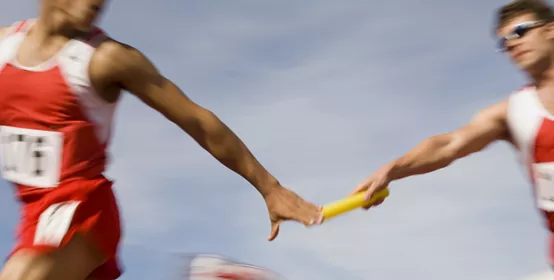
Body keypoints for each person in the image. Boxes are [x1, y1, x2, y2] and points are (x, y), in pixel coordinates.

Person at [0, 1, 323, 279]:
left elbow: (198, 120)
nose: (96, 4)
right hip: (32, 216)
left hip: (80, 209)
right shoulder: (5, 47)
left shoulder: (105, 59)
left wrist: (270, 188)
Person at [350, 0, 554, 269]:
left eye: (520, 32)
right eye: (503, 42)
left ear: (550, 30)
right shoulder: (510, 112)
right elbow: (449, 144)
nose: (511, 44)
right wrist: (393, 169)